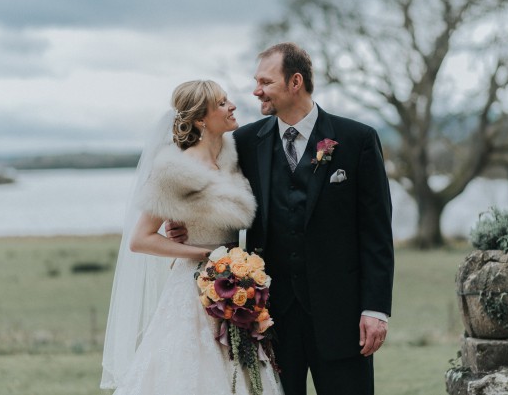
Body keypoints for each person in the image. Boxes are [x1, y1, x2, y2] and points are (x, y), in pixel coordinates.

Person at [168, 43, 394, 395]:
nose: (256, 90)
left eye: (265, 81)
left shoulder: (357, 140)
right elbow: (210, 182)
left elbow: (376, 233)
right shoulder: (243, 142)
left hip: (342, 315)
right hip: (268, 318)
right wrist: (184, 217)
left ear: (295, 82)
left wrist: (376, 309)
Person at [100, 80, 283, 395]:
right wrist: (200, 253)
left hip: (235, 284)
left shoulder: (231, 162)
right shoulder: (176, 170)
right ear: (201, 119)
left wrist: (236, 265)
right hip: (193, 289)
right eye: (223, 103)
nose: (232, 106)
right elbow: (140, 239)